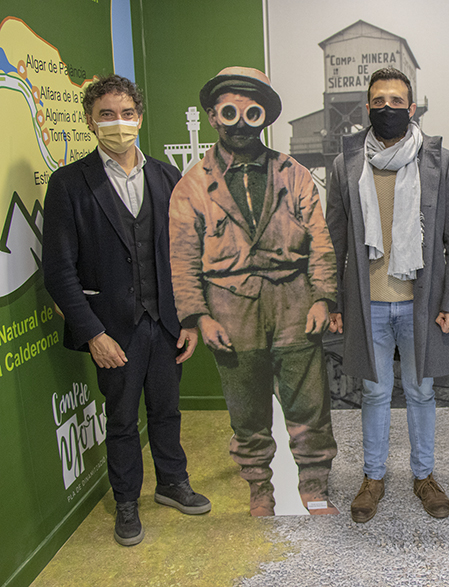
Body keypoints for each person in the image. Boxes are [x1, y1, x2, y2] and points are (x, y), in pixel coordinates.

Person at [42, 75, 210, 546]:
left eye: (126, 113)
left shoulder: (165, 176)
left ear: (140, 116)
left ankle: (173, 484)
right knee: (120, 421)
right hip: (113, 330)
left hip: (165, 322)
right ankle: (126, 504)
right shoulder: (70, 184)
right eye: (106, 115)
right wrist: (93, 333)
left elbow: (185, 254)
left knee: (167, 410)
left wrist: (190, 317)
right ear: (91, 122)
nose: (119, 123)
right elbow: (58, 271)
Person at [169, 67, 338, 517]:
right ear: (212, 116)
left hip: (294, 301)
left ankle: (315, 485)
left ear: (265, 118)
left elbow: (320, 239)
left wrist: (323, 296)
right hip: (229, 310)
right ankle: (259, 488)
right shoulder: (191, 186)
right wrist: (198, 316)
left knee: (309, 403)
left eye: (251, 112)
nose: (240, 121)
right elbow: (182, 260)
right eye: (229, 111)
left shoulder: (294, 174)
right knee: (246, 408)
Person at [325, 67, 449, 523]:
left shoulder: (439, 161)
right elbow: (334, 238)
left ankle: (423, 475)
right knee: (373, 392)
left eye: (396, 101)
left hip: (420, 303)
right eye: (378, 100)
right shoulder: (345, 162)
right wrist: (333, 302)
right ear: (367, 106)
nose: (387, 108)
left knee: (422, 391)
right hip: (367, 304)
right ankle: (372, 478)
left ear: (412, 108)